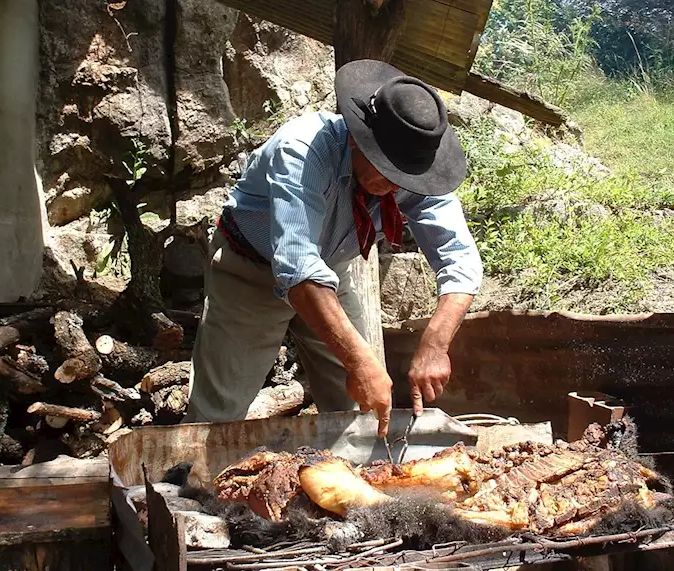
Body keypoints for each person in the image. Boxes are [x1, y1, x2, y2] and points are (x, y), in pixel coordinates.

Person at [183, 59, 483, 437]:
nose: (394, 186)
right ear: (358, 137)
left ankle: (345, 487)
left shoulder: (416, 168)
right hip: (249, 268)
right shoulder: (303, 150)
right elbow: (297, 268)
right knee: (217, 414)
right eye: (385, 171)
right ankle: (185, 487)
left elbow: (461, 260)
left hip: (329, 272)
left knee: (362, 409)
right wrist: (361, 362)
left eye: (403, 177)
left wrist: (435, 344)